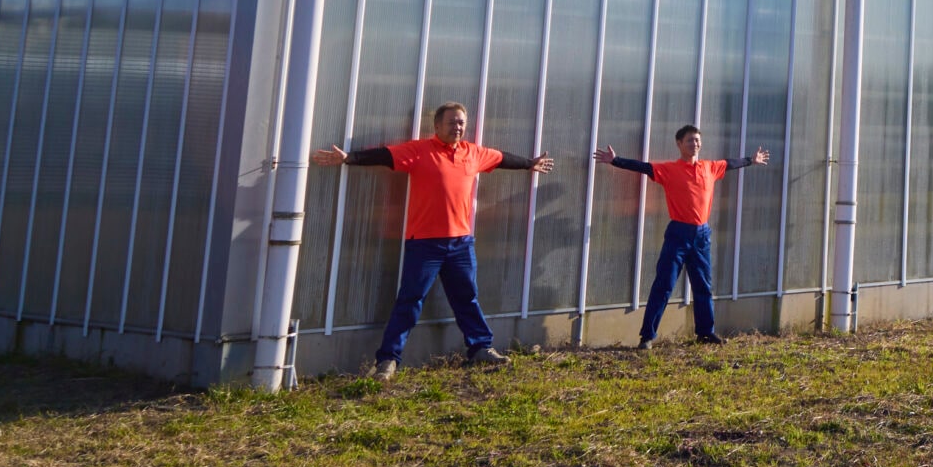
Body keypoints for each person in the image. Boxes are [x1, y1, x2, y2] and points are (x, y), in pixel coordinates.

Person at [313, 101, 553, 379]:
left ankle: (480, 349)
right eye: (452, 122)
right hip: (424, 244)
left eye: (461, 122)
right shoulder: (418, 150)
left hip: (461, 243)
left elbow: (501, 159)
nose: (458, 126)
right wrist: (349, 158)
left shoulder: (472, 153)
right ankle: (388, 360)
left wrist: (529, 164)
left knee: (467, 298)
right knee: (410, 300)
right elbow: (384, 155)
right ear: (437, 126)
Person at [592, 125, 770, 346]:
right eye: (689, 141)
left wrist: (751, 160)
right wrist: (615, 160)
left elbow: (731, 164)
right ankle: (647, 336)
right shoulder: (669, 169)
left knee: (703, 285)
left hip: (702, 235)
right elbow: (645, 167)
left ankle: (705, 332)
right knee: (664, 285)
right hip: (678, 234)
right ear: (679, 144)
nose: (694, 144)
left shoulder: (710, 167)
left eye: (697, 140)